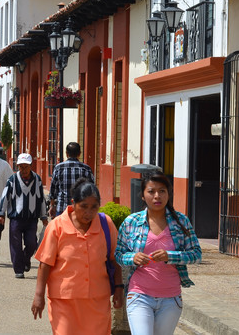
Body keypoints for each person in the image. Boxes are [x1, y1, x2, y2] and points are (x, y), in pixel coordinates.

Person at [31, 178, 123, 335]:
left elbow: (115, 260)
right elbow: (44, 264)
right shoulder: (57, 226)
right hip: (64, 301)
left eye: (94, 207)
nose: (89, 212)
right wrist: (39, 296)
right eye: (84, 206)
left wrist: (119, 289)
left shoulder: (105, 224)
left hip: (97, 301)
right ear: (73, 203)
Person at [115, 173, 201, 335]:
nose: (157, 196)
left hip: (171, 298)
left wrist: (171, 256)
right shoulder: (131, 222)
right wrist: (132, 257)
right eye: (151, 191)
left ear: (168, 194)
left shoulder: (181, 222)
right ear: (142, 195)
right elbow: (119, 253)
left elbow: (196, 254)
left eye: (162, 191)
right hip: (139, 295)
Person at [0, 153, 48, 278]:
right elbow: (5, 197)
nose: (23, 169)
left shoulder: (37, 179)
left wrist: (44, 215)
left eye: (26, 166)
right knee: (16, 244)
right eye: (20, 167)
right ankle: (18, 270)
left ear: (31, 166)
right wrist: (1, 214)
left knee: (32, 243)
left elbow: (41, 198)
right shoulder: (12, 180)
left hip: (31, 218)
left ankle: (25, 259)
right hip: (16, 218)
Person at [49, 142, 94, 218]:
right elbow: (92, 190)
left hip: (62, 209)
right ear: (79, 154)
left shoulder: (58, 168)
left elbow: (53, 191)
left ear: (66, 153)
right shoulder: (86, 169)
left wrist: (52, 206)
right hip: (81, 210)